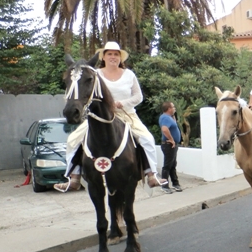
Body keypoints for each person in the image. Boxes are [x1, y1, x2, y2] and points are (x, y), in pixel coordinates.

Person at [54, 42, 167, 192]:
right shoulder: (95, 73)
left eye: (116, 54)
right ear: (104, 57)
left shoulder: (129, 75)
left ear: (120, 58)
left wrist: (122, 103)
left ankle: (152, 174)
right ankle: (74, 178)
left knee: (147, 138)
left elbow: (138, 96)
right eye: (110, 54)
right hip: (101, 116)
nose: (113, 57)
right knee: (72, 139)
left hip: (127, 114)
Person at [159, 101, 182, 194]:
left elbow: (172, 127)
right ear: (168, 109)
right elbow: (164, 129)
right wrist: (172, 140)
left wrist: (173, 117)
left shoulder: (168, 117)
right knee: (167, 166)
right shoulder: (165, 117)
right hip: (169, 145)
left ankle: (175, 184)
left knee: (172, 165)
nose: (174, 108)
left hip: (172, 145)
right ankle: (164, 186)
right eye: (173, 107)